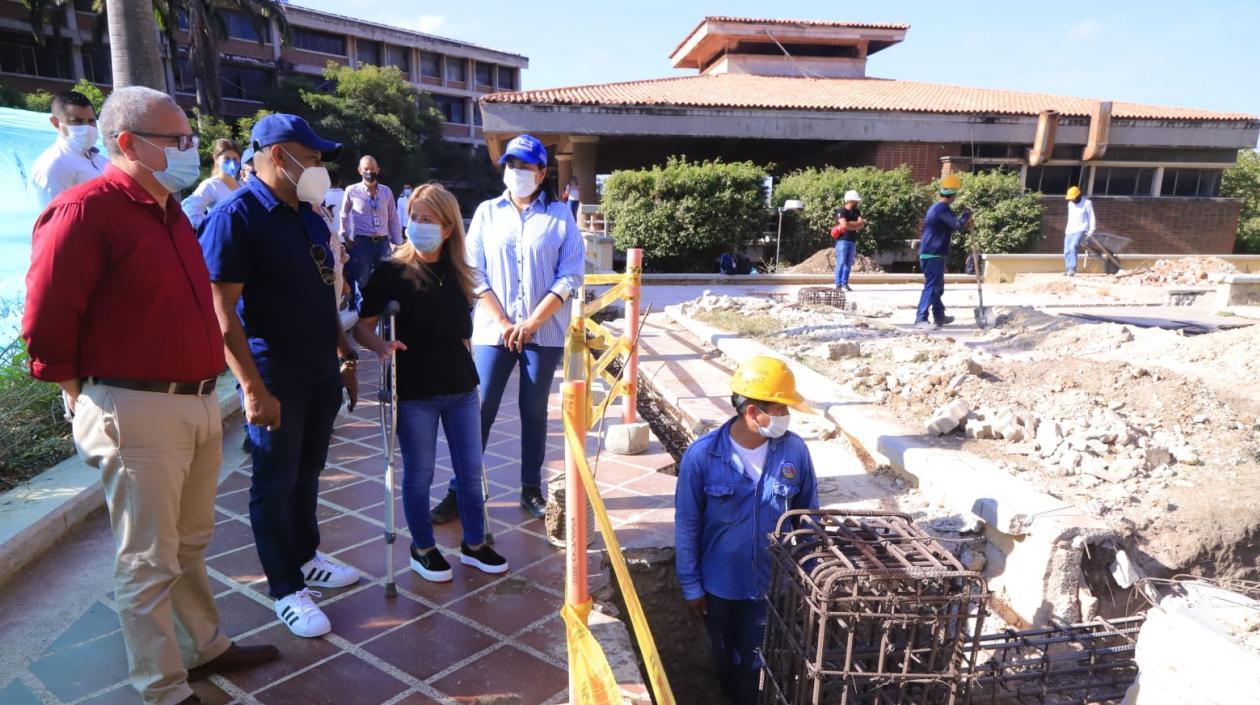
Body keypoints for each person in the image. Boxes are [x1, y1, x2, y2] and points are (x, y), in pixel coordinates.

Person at [22, 86, 277, 705]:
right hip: (135, 406)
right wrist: (83, 396)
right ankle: (161, 687)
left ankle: (204, 645)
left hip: (193, 401)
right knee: (147, 558)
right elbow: (45, 321)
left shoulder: (170, 214)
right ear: (129, 143)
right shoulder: (85, 210)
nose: (192, 150)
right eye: (178, 140)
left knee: (188, 542)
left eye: (190, 138)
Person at [201, 114, 362, 639]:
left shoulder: (309, 215)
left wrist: (344, 354)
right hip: (274, 372)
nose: (318, 166)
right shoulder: (236, 216)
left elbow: (322, 292)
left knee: (309, 469)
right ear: (277, 156)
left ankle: (306, 555)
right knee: (274, 479)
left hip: (319, 366)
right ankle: (285, 587)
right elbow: (221, 310)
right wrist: (251, 388)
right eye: (311, 157)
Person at [352, 183, 509, 581]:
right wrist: (382, 346)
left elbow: (462, 331)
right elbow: (362, 327)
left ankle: (474, 544)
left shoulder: (459, 273)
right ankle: (422, 548)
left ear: (448, 227)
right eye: (414, 218)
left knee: (471, 471)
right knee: (420, 473)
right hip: (415, 391)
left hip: (460, 387)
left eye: (428, 219)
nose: (418, 226)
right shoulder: (391, 271)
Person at [431, 134, 585, 524]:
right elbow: (474, 271)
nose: (516, 172)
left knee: (533, 410)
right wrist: (503, 322)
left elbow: (570, 275)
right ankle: (460, 488)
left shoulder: (560, 216)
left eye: (525, 166)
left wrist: (532, 322)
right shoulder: (487, 212)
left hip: (543, 332)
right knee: (478, 408)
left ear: (541, 172)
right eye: (511, 165)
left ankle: (530, 487)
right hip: (492, 330)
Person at [674, 356, 819, 705]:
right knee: (726, 662)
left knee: (759, 668)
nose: (786, 416)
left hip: (773, 589)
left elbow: (809, 518)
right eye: (780, 408)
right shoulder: (703, 456)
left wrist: (811, 578)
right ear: (753, 412)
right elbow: (687, 525)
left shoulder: (794, 451)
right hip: (719, 589)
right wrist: (691, 586)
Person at [340, 155, 401, 308]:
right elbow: (344, 214)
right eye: (366, 169)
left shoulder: (386, 192)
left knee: (386, 281)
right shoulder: (351, 191)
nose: (369, 172)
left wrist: (398, 242)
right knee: (362, 282)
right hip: (362, 244)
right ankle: (363, 319)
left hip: (383, 243)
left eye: (372, 169)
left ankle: (386, 324)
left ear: (378, 170)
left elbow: (393, 217)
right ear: (360, 170)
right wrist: (345, 235)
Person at [29, 90, 106, 209]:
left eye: (91, 121)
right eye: (77, 121)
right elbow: (56, 220)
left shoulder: (101, 160)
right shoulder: (54, 164)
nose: (87, 128)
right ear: (56, 123)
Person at [914, 174, 972, 330]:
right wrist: (967, 214)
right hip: (933, 253)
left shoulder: (936, 208)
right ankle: (921, 319)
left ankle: (939, 316)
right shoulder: (942, 209)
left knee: (937, 287)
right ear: (953, 196)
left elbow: (951, 225)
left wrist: (965, 221)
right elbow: (957, 226)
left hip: (930, 252)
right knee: (932, 287)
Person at [181, 139, 242, 229]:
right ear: (216, 158)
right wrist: (213, 228)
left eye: (235, 159)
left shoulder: (243, 183)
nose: (232, 163)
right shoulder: (211, 185)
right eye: (226, 159)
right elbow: (190, 210)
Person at [832, 189, 865, 292]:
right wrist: (855, 225)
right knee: (841, 262)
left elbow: (862, 224)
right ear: (850, 200)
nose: (856, 202)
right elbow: (844, 225)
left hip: (852, 240)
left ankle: (845, 283)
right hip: (842, 240)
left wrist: (850, 224)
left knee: (848, 263)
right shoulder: (841, 211)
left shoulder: (857, 211)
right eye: (855, 200)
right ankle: (838, 285)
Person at [1063, 186, 1095, 277]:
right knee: (1066, 250)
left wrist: (1091, 230)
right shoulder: (1070, 204)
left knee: (1073, 246)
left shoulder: (1087, 203)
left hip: (1081, 228)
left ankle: (1072, 269)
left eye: (1072, 198)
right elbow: (1070, 218)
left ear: (1078, 196)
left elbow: (1091, 217)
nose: (1071, 200)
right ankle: (1068, 268)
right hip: (1070, 229)